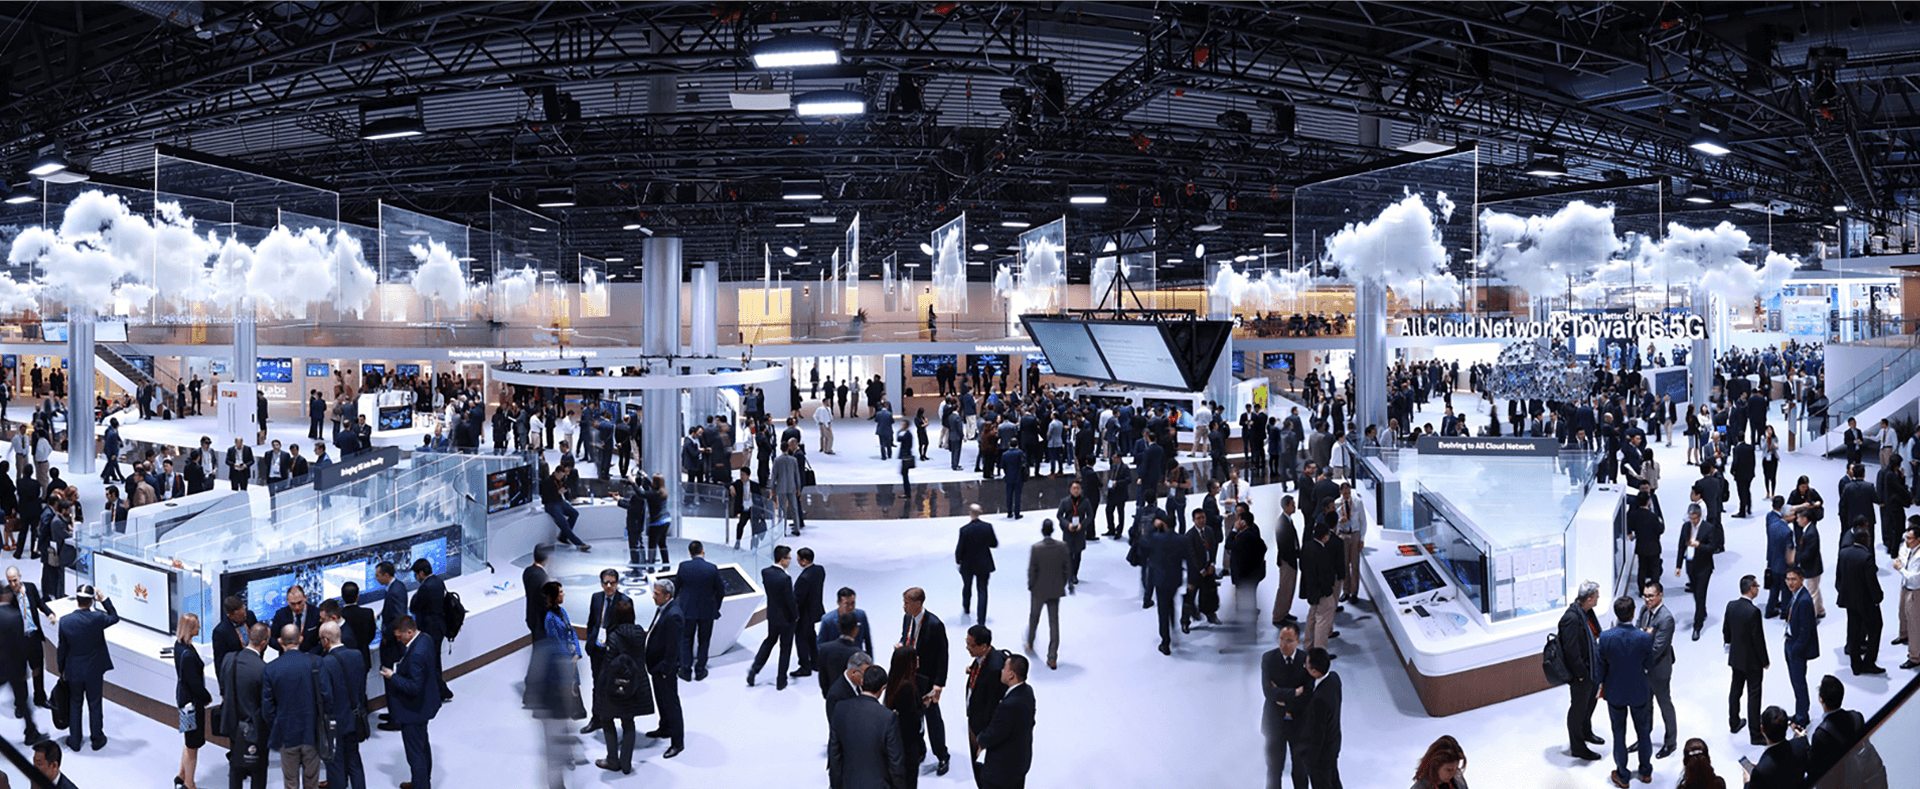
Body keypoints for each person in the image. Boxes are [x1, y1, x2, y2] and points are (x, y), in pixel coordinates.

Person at [1595, 594, 1655, 786]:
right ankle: (1646, 772)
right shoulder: (1644, 637)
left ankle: (1622, 774)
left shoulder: (1605, 637)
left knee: (1619, 734)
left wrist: (1599, 686)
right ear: (1633, 613)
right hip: (1639, 691)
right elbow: (1650, 664)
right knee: (1643, 733)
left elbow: (1600, 667)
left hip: (1615, 692)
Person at [593, 598, 654, 775]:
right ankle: (626, 763)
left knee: (607, 720)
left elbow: (609, 663)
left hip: (614, 687)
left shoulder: (613, 636)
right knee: (628, 722)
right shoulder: (639, 633)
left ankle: (613, 760)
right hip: (635, 685)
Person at [262, 624, 327, 789]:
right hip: (312, 730)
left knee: (290, 781)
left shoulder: (271, 668)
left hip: (286, 732)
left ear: (280, 641)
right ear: (301, 639)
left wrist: (276, 726)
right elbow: (327, 697)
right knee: (312, 780)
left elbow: (267, 707)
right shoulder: (317, 662)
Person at [381, 615, 442, 789]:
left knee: (415, 754)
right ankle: (421, 781)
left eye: (400, 637)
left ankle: (421, 785)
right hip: (425, 704)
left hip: (414, 711)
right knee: (422, 746)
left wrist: (393, 676)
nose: (398, 640)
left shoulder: (416, 655)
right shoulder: (425, 639)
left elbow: (413, 687)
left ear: (409, 631)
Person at [56, 585, 118, 752]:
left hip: (73, 671)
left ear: (77, 600)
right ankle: (97, 739)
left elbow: (61, 648)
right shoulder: (97, 618)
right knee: (95, 704)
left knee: (75, 704)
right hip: (94, 671)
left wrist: (61, 669)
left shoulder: (65, 621)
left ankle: (75, 741)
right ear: (91, 601)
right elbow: (114, 617)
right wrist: (103, 599)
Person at [898, 587, 951, 776]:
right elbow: (906, 638)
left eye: (907, 603)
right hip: (909, 677)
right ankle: (920, 749)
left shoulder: (935, 625)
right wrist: (901, 646)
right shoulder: (907, 618)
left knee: (933, 719)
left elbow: (943, 656)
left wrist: (939, 685)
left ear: (918, 603)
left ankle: (942, 755)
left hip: (927, 680)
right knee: (912, 717)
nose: (904, 606)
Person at [828, 663, 908, 789]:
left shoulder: (840, 708)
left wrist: (835, 785)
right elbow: (895, 763)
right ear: (882, 688)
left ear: (862, 682)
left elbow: (834, 754)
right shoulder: (888, 717)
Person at [1261, 621, 1312, 789]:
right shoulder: (1268, 658)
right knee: (1274, 769)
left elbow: (1308, 693)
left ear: (1298, 641)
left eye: (1289, 640)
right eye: (1281, 639)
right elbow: (1268, 692)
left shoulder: (1306, 660)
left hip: (1299, 722)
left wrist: (1283, 698)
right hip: (1274, 722)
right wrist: (1294, 692)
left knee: (1300, 769)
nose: (1284, 644)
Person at [319, 621, 368, 789]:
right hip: (355, 717)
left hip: (335, 723)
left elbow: (326, 697)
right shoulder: (357, 655)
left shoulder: (325, 663)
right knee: (354, 761)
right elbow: (361, 687)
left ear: (326, 640)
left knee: (336, 766)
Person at [221, 623, 270, 789]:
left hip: (233, 724)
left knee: (235, 767)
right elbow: (265, 703)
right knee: (258, 771)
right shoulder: (263, 668)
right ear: (264, 642)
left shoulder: (228, 659)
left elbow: (224, 687)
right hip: (255, 727)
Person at [976, 653, 1035, 789]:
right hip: (1020, 762)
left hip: (1002, 771)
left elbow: (993, 734)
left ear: (1011, 675)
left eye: (1004, 668)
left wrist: (980, 740)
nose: (1001, 671)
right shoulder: (1027, 691)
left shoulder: (1008, 706)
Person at [1723, 574, 1769, 745]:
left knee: (1735, 690)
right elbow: (1758, 639)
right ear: (1751, 589)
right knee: (1754, 695)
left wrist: (1730, 645)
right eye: (1757, 586)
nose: (1758, 589)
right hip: (1752, 662)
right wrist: (1764, 660)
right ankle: (1755, 734)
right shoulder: (1753, 612)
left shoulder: (1731, 606)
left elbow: (1726, 630)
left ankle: (1734, 722)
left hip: (1736, 657)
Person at [1835, 520, 1886, 674]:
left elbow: (1839, 577)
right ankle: (1869, 662)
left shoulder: (1843, 553)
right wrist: (1878, 598)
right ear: (1866, 540)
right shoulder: (1866, 557)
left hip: (1849, 600)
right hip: (1866, 602)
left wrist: (1843, 592)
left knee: (1854, 631)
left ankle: (1855, 665)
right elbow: (1872, 583)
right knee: (1875, 629)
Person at [1635, 580, 1677, 759]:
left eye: (1651, 596)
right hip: (1643, 669)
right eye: (1645, 596)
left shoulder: (1666, 618)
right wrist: (1645, 635)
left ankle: (1671, 742)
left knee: (1664, 704)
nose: (1647, 600)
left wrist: (1643, 637)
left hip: (1659, 669)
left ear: (1660, 595)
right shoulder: (1644, 610)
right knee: (1645, 706)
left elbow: (1656, 648)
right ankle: (1643, 738)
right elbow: (1636, 633)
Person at [644, 579, 686, 758]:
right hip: (656, 666)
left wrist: (665, 670)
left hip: (664, 670)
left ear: (667, 596)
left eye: (657, 593)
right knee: (661, 700)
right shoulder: (663, 608)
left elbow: (673, 647)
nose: (653, 596)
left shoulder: (674, 615)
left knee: (671, 703)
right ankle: (665, 728)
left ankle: (677, 743)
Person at [963, 624, 1007, 787]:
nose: (967, 648)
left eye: (971, 645)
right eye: (966, 643)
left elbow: (992, 708)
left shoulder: (994, 669)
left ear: (983, 646)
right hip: (974, 718)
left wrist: (984, 739)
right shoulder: (983, 657)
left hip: (981, 728)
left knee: (982, 769)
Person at [748, 546, 798, 689]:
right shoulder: (785, 578)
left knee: (769, 641)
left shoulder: (766, 572)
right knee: (785, 648)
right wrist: (795, 616)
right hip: (786, 619)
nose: (790, 561)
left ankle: (754, 670)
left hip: (772, 616)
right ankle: (781, 680)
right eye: (789, 558)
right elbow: (790, 600)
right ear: (782, 560)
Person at [0, 587, 44, 748]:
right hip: (14, 667)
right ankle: (31, 733)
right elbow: (24, 644)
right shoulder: (16, 616)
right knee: (23, 702)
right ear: (6, 595)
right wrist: (30, 666)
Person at [675, 540, 724, 682]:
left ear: (690, 553)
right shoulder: (712, 568)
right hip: (707, 611)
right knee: (704, 640)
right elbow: (720, 591)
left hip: (687, 610)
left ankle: (685, 670)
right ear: (703, 551)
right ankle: (700, 670)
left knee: (686, 640)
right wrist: (716, 607)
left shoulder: (683, 566)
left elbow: (676, 588)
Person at [6, 567, 54, 709]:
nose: (13, 584)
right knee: (20, 674)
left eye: (15, 580)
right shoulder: (7, 595)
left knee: (37, 670)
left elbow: (39, 603)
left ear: (20, 577)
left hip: (33, 637)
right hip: (17, 642)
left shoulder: (31, 588)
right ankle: (21, 703)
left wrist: (49, 613)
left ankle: (40, 698)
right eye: (10, 581)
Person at [407, 559, 454, 703]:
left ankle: (442, 691)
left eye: (416, 574)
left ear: (421, 573)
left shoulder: (425, 588)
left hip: (429, 629)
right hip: (439, 627)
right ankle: (439, 690)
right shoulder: (438, 581)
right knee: (435, 660)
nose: (415, 577)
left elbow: (414, 607)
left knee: (431, 662)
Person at [173, 613, 210, 789]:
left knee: (188, 741)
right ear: (189, 629)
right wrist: (206, 697)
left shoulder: (179, 646)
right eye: (196, 626)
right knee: (193, 744)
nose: (200, 628)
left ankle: (182, 774)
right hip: (193, 704)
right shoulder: (188, 654)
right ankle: (189, 783)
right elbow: (195, 684)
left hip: (184, 699)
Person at [1026, 520, 1068, 669]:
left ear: (1042, 530)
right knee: (1054, 623)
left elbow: (1032, 570)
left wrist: (1031, 586)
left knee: (1034, 617)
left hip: (1038, 590)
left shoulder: (1036, 548)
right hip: (1055, 590)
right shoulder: (1062, 547)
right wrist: (1061, 584)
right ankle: (1052, 657)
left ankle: (1030, 643)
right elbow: (1066, 569)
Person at [1677, 505, 1723, 641]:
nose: (1693, 521)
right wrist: (1678, 566)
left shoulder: (1708, 528)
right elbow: (1681, 546)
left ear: (1700, 516)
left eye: (1695, 518)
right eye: (1691, 518)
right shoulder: (1686, 527)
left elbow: (1713, 548)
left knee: (1700, 593)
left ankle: (1697, 626)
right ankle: (1702, 611)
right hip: (1690, 565)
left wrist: (1699, 545)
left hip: (1704, 567)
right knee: (1696, 592)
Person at [1299, 648, 1342, 789]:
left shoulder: (1319, 699)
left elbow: (1317, 735)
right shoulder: (1334, 678)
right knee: (1334, 780)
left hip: (1321, 756)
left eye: (1307, 664)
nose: (1305, 666)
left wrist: (1309, 760)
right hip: (1333, 743)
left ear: (1314, 671)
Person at [1782, 567, 1819, 726]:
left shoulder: (1804, 600)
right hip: (1790, 642)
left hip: (1796, 648)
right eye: (1788, 579)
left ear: (1802, 579)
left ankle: (1802, 718)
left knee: (1799, 685)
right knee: (1796, 683)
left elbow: (1806, 631)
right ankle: (1800, 713)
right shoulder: (1796, 595)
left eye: (1793, 579)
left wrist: (1795, 649)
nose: (1790, 583)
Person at [1299, 521, 1342, 654]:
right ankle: (1320, 653)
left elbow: (1302, 567)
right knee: (1323, 621)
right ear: (1324, 536)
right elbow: (1324, 575)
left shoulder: (1307, 546)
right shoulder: (1321, 552)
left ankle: (1308, 646)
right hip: (1322, 592)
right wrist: (1328, 591)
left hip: (1311, 590)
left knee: (1312, 617)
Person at [1745, 706, 1809, 789]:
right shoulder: (1801, 744)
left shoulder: (1761, 771)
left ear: (1762, 729)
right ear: (1786, 726)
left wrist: (1747, 782)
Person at [956, 505, 998, 623]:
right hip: (984, 563)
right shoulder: (987, 527)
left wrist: (958, 560)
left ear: (970, 513)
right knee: (982, 590)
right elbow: (994, 543)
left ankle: (966, 608)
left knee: (967, 586)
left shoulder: (964, 530)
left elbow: (960, 548)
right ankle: (981, 618)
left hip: (967, 563)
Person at [539, 463, 590, 551]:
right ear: (556, 473)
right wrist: (558, 493)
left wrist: (567, 496)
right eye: (561, 476)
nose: (561, 478)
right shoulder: (547, 481)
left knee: (574, 513)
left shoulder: (561, 480)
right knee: (563, 522)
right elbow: (546, 498)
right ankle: (578, 543)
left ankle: (563, 536)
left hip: (560, 502)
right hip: (551, 504)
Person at [794, 548, 826, 678]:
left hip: (804, 614)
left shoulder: (804, 578)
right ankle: (816, 662)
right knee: (811, 636)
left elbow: (797, 599)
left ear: (804, 560)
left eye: (798, 559)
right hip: (815, 610)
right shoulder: (820, 570)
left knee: (801, 639)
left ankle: (804, 666)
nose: (797, 561)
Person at [1273, 496, 1302, 626]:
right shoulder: (1282, 522)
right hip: (1287, 561)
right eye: (1292, 505)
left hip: (1291, 559)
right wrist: (1294, 556)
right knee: (1285, 588)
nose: (1294, 506)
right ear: (1285, 507)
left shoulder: (1287, 520)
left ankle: (1285, 612)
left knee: (1290, 588)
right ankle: (1278, 616)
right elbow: (1284, 546)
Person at [269, 584, 321, 655]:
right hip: (287, 656)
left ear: (304, 598)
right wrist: (282, 646)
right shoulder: (280, 614)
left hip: (310, 656)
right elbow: (271, 638)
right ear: (287, 600)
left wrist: (311, 654)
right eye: (293, 604)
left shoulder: (316, 613)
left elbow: (322, 641)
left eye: (299, 603)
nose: (297, 607)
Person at [1896, 521, 1920, 670]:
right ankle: (1903, 635)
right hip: (1905, 586)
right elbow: (1901, 555)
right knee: (1902, 613)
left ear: (1918, 539)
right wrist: (1903, 567)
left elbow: (1915, 578)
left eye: (1909, 538)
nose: (1906, 541)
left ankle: (1915, 657)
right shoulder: (1909, 548)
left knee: (1914, 624)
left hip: (1915, 591)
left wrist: (1901, 568)